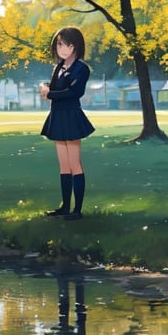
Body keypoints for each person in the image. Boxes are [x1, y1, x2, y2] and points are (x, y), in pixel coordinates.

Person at [39, 26, 95, 220]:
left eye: (67, 44)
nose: (63, 48)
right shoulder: (57, 68)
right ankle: (65, 206)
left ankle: (77, 210)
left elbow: (74, 92)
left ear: (76, 46)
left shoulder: (82, 69)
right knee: (63, 165)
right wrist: (46, 89)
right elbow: (55, 90)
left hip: (71, 115)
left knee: (74, 164)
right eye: (60, 44)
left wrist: (49, 93)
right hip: (57, 115)